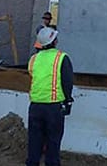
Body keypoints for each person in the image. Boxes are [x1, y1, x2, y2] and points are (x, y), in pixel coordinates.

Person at [26, 27, 74, 166]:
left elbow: (33, 75)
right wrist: (68, 101)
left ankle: (32, 163)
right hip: (53, 107)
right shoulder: (61, 57)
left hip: (35, 106)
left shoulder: (33, 59)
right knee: (53, 141)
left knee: (34, 140)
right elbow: (67, 82)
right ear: (54, 41)